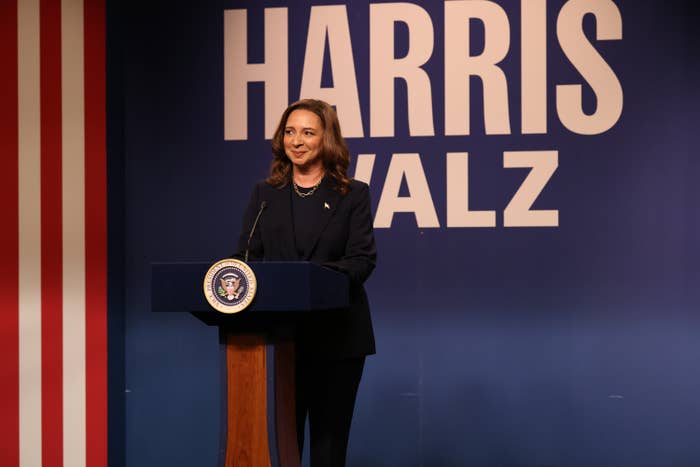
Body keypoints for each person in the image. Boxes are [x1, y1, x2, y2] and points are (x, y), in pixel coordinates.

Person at [234, 99, 377, 467]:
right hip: (280, 340)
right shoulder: (264, 195)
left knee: (329, 449)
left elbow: (362, 260)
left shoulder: (353, 194)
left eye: (308, 132)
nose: (296, 141)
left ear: (326, 139)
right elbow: (246, 259)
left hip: (338, 340)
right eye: (290, 131)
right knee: (283, 445)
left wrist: (311, 280)